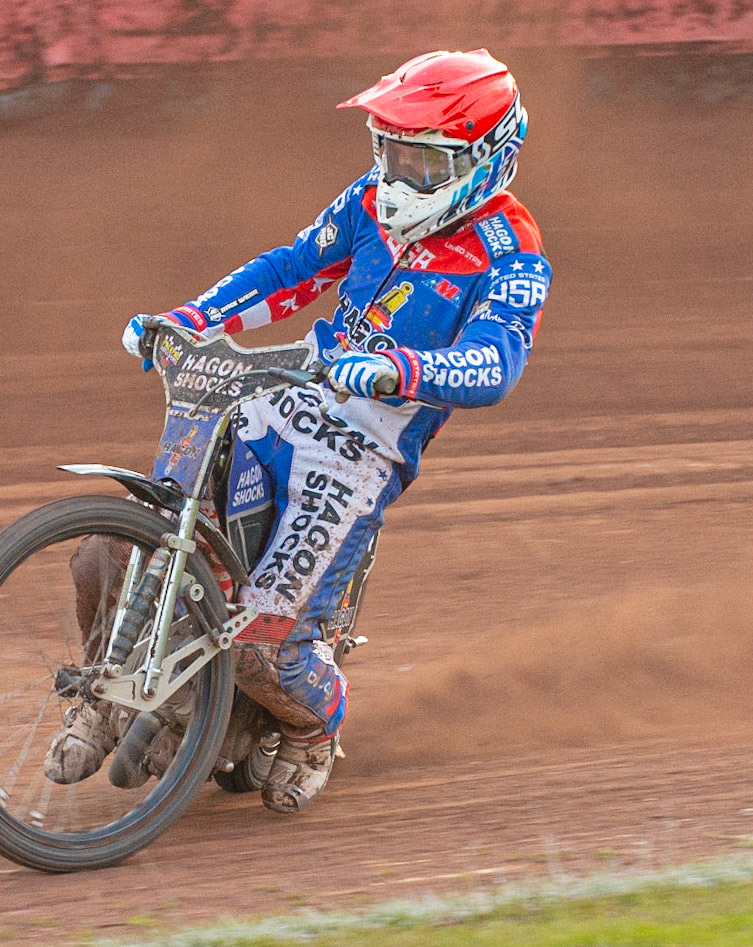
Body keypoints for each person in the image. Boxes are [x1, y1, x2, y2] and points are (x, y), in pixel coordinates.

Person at [47, 48, 551, 813]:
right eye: (390, 150)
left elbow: (497, 363)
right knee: (110, 549)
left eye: (421, 159)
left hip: (360, 448)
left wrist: (396, 372)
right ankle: (104, 691)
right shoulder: (369, 203)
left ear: (484, 161)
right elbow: (291, 272)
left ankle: (317, 728)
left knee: (261, 648)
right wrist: (185, 321)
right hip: (281, 395)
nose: (397, 175)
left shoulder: (512, 254)